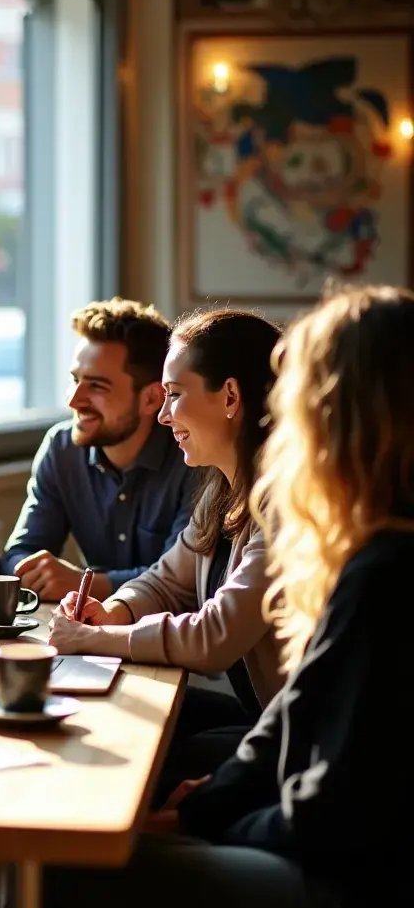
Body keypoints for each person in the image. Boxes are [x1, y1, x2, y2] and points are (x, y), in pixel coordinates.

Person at [10, 284, 414, 908]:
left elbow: (331, 814)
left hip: (369, 906)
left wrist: (211, 822)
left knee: (63, 869)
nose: (283, 418)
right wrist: (204, 808)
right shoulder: (361, 549)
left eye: (299, 399)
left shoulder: (384, 570)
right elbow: (294, 715)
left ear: (343, 417)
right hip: (343, 858)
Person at [49, 309, 284, 793]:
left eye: (174, 395)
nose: (162, 415)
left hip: (298, 738)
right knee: (114, 723)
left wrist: (95, 639)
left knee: (134, 762)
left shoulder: (282, 505)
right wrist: (112, 612)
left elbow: (215, 637)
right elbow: (165, 582)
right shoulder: (222, 492)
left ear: (230, 397)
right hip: (264, 715)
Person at [1, 299, 196, 604]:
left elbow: (184, 580)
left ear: (150, 399)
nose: (73, 400)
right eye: (75, 380)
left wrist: (86, 584)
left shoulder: (192, 457)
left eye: (96, 386)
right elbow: (20, 552)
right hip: (87, 625)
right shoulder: (62, 448)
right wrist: (33, 571)